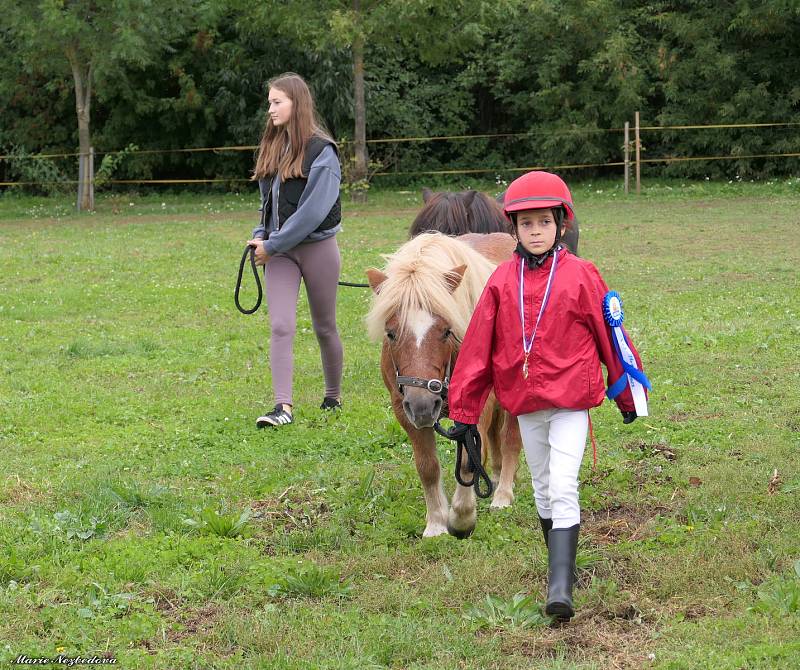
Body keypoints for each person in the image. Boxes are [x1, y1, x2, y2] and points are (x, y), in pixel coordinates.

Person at [447, 171, 648, 621]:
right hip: (525, 405)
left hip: (571, 401)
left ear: (560, 224)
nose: (535, 232)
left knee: (562, 484)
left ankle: (559, 589)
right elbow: (477, 351)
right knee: (541, 489)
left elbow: (609, 337)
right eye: (526, 224)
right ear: (514, 229)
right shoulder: (501, 281)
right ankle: (564, 567)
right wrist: (464, 410)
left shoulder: (582, 276)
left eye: (543, 222)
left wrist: (627, 396)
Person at [247, 73, 344, 428]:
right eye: (270, 102)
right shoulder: (272, 147)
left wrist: (271, 244)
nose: (270, 109)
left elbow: (313, 213)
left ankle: (333, 396)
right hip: (280, 254)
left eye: (277, 102)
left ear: (296, 104)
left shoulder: (323, 152)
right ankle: (282, 407)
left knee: (325, 327)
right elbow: (267, 206)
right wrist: (261, 235)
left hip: (317, 248)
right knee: (281, 326)